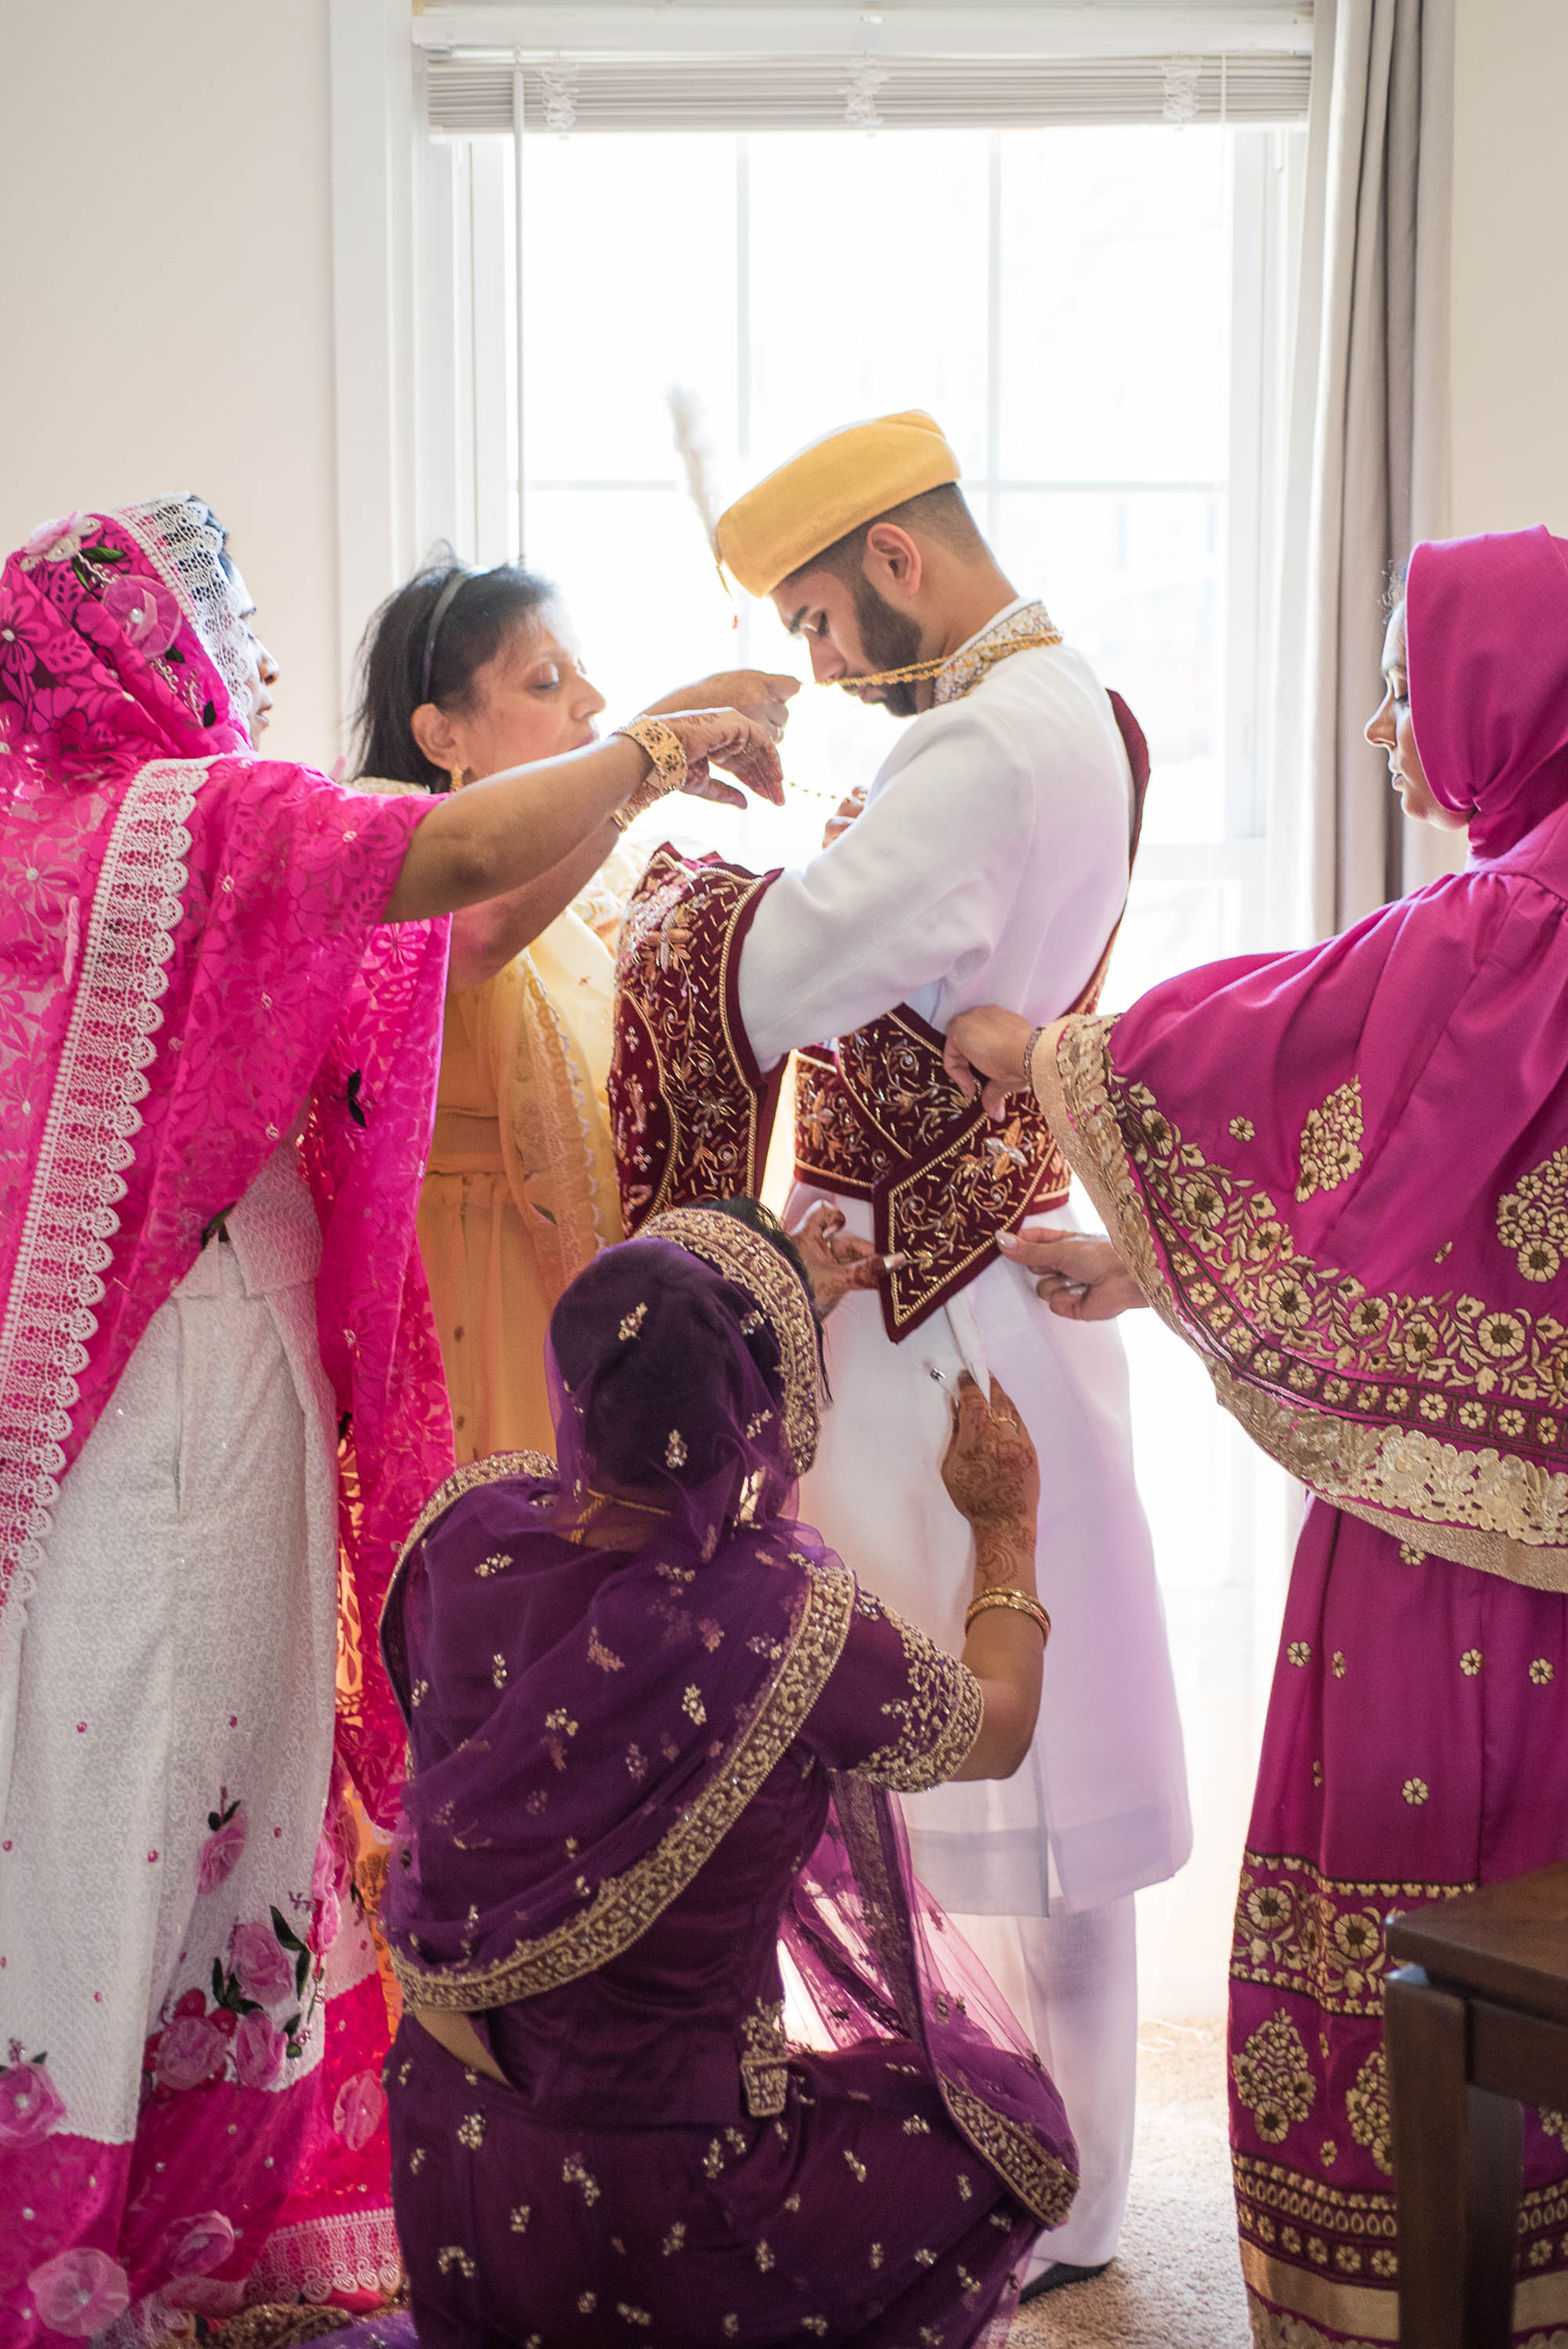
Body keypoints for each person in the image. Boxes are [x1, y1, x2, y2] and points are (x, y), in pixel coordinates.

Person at [0, 495, 781, 2344]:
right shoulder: (181, 820)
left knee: (197, 1782)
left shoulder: (70, 836)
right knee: (145, 1795)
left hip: (186, 1380)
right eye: (224, 628)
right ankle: (84, 2224)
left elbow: (457, 931)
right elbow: (441, 869)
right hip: (178, 1388)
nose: (258, 669)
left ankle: (180, 2211)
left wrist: (611, 783)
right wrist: (660, 733)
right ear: (138, 654)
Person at [944, 524, 1568, 2344]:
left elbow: (1299, 1049)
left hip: (1455, 1540)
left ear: (1498, 690)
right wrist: (1141, 1262)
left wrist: (1038, 1049)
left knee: (1429, 1882)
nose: (1388, 731)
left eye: (1404, 686)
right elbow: (1430, 1184)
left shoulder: (1512, 914)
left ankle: (1416, 2288)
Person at [608, 410, 1190, 2293]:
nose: (818, 668)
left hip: (922, 1322)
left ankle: (1017, 2181)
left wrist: (660, 884)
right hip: (990, 1278)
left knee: (925, 1745)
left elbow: (780, 972)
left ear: (900, 563)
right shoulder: (1076, 707)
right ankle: (1071, 2177)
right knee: (1040, 1745)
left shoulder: (971, 747)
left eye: (821, 620)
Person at [369, 1196, 1074, 2348]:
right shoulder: (786, 1619)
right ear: (767, 1401)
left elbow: (656, 1332)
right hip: (663, 2199)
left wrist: (765, 1290)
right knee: (1012, 2133)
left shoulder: (467, 1532)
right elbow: (996, 1727)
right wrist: (1005, 1530)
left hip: (455, 2157)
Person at [352, 554, 798, 1460]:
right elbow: (483, 931)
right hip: (461, 1280)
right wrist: (653, 749)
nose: (589, 700)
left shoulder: (605, 871)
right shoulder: (379, 841)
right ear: (441, 738)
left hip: (576, 1263)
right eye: (548, 681)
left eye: (582, 671)